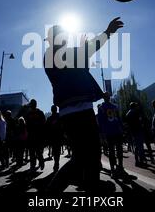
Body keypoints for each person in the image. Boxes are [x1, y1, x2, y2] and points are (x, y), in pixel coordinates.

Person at [44, 17, 123, 192]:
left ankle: (90, 188)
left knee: (88, 157)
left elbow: (79, 70)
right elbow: (87, 53)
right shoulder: (58, 54)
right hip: (79, 112)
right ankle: (52, 192)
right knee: (84, 157)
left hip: (72, 112)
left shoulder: (52, 56)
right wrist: (107, 33)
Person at [97, 93, 125, 177]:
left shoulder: (101, 108)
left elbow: (100, 122)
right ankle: (118, 167)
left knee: (113, 151)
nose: (107, 97)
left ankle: (115, 169)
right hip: (114, 131)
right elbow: (119, 119)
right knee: (117, 150)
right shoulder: (114, 106)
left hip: (111, 132)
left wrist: (102, 133)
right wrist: (122, 128)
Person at [24, 99, 46, 172]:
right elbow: (26, 125)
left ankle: (41, 162)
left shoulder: (40, 113)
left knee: (38, 151)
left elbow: (44, 124)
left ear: (35, 105)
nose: (32, 106)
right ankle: (33, 165)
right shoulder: (29, 114)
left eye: (33, 104)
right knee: (32, 152)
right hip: (31, 136)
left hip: (38, 136)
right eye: (31, 104)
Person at [125, 102, 146, 167]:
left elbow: (128, 124)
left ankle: (137, 160)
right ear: (134, 106)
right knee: (140, 146)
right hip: (138, 130)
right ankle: (142, 160)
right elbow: (140, 120)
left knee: (136, 146)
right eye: (136, 106)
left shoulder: (127, 114)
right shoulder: (136, 112)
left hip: (132, 131)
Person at [46, 105, 64, 172]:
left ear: (51, 110)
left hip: (53, 137)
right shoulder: (60, 116)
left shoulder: (49, 118)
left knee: (55, 150)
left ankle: (56, 162)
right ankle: (56, 162)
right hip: (58, 137)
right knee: (57, 151)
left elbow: (46, 129)